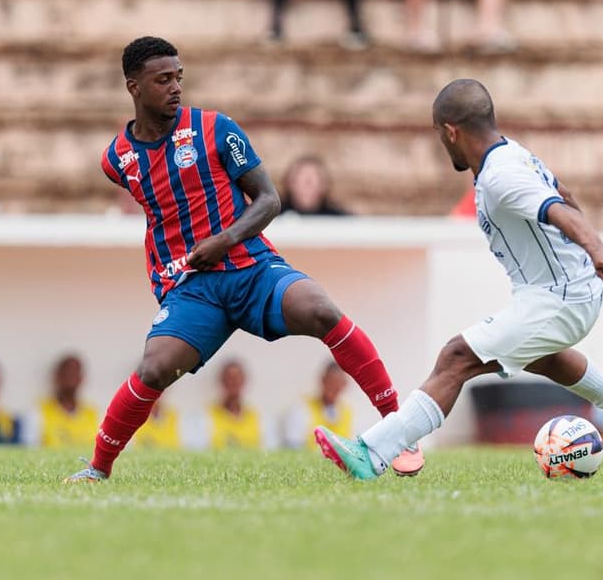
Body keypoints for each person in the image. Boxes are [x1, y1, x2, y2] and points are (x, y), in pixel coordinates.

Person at [64, 35, 419, 482]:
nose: (175, 88)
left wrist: (224, 238)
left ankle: (400, 431)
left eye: (179, 77)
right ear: (134, 87)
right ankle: (97, 468)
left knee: (321, 309)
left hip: (251, 267)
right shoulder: (117, 159)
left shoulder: (216, 129)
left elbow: (269, 200)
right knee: (154, 368)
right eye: (163, 80)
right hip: (192, 288)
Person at [315, 79, 603, 479]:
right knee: (541, 355)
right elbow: (561, 193)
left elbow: (556, 208)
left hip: (561, 298)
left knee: (456, 358)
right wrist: (585, 253)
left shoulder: (499, 176)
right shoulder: (512, 153)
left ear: (450, 131)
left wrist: (595, 247)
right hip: (560, 292)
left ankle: (372, 452)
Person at [282, 362, 353, 449]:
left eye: (337, 384)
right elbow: (293, 445)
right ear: (322, 380)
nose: (333, 388)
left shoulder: (347, 412)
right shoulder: (301, 408)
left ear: (344, 385)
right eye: (330, 382)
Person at [39, 354, 100, 448]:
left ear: (81, 378)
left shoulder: (93, 413)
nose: (70, 377)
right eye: (66, 372)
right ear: (57, 376)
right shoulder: (39, 411)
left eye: (75, 372)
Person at [208, 359, 262, 450]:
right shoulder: (207, 415)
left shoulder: (255, 415)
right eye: (229, 378)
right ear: (222, 381)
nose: (233, 382)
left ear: (244, 381)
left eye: (236, 378)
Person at [279, 155, 350, 216]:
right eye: (300, 181)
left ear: (323, 185)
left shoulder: (340, 220)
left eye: (311, 182)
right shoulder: (274, 218)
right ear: (289, 183)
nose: (306, 188)